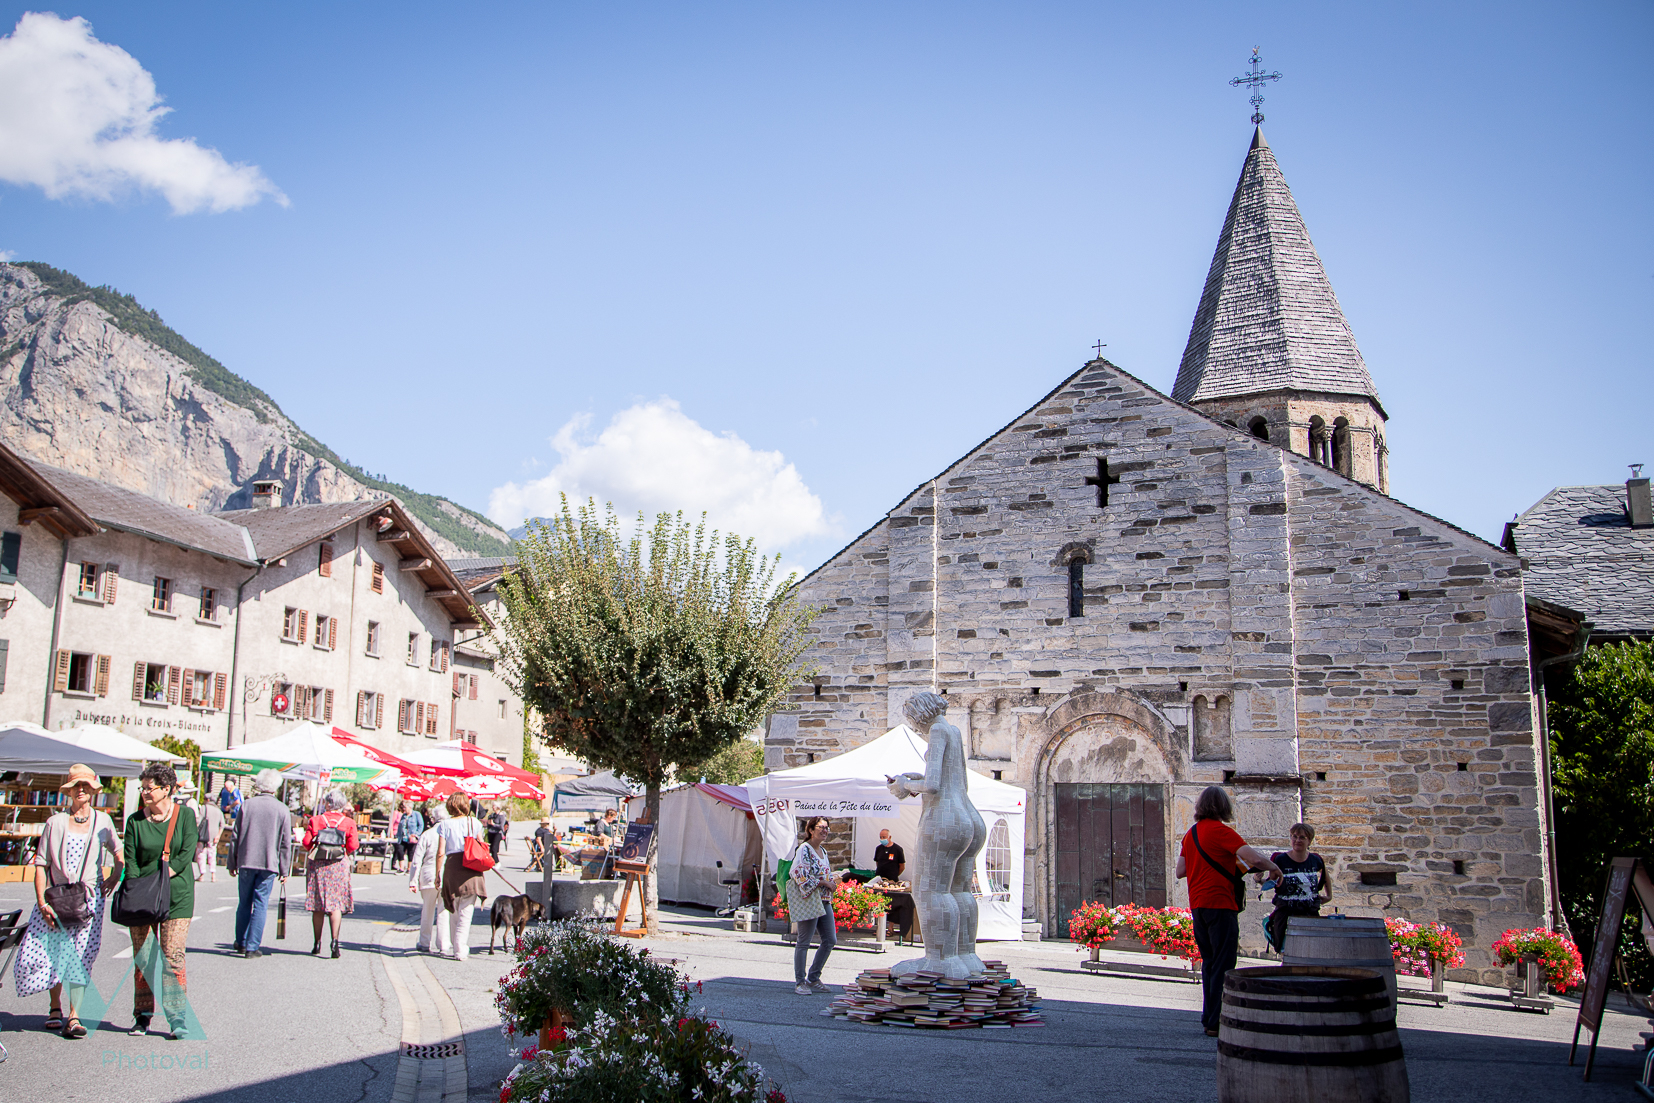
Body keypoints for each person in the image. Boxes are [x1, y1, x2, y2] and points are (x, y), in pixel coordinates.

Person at [13, 763, 122, 1039]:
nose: (81, 790)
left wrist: (115, 877)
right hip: (57, 899)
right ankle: (54, 1007)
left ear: (93, 790)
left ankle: (74, 1016)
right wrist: (41, 901)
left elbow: (119, 852)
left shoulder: (103, 822)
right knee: (52, 954)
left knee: (82, 957)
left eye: (86, 785)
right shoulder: (55, 822)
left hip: (89, 901)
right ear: (69, 792)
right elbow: (40, 864)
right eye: (76, 786)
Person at [887, 691, 987, 979]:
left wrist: (905, 784)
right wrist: (912, 779)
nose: (915, 727)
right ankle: (966, 955)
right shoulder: (953, 730)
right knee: (959, 891)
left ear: (920, 714)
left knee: (929, 890)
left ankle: (940, 960)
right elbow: (953, 780)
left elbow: (931, 785)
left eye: (912, 720)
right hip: (967, 814)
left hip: (945, 817)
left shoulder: (937, 731)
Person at [1176, 785, 1282, 1038]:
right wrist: (1273, 866)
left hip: (1198, 905)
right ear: (1223, 807)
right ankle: (1217, 1021)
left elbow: (1181, 871)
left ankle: (1208, 1017)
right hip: (1221, 904)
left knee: (1210, 962)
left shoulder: (1191, 835)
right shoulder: (1222, 831)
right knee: (1224, 963)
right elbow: (1253, 858)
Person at [124, 761, 200, 1040]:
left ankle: (177, 1018)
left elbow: (185, 854)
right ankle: (142, 1016)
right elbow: (131, 860)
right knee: (144, 959)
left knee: (173, 958)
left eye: (149, 788)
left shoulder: (186, 817)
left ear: (166, 789)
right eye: (142, 788)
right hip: (143, 896)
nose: (144, 792)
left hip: (177, 896)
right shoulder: (135, 821)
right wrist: (138, 888)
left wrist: (161, 876)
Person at [228, 769, 293, 958]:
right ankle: (252, 946)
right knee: (261, 904)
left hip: (247, 860)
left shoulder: (247, 805)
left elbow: (235, 836)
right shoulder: (282, 809)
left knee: (244, 903)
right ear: (276, 787)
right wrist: (284, 869)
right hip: (269, 863)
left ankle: (240, 941)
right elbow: (285, 843)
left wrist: (232, 862)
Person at [303, 789, 359, 958]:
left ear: (327, 803)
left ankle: (317, 942)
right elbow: (354, 845)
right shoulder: (348, 822)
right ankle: (335, 941)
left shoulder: (316, 820)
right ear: (342, 805)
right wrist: (344, 853)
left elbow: (306, 842)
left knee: (318, 903)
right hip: (338, 864)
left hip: (319, 863)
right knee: (335, 905)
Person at [788, 816, 841, 996]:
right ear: (811, 829)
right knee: (804, 941)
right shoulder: (805, 849)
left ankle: (813, 977)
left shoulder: (823, 851)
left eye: (827, 828)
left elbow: (823, 873)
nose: (825, 830)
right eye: (821, 827)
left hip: (824, 901)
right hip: (809, 899)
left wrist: (831, 881)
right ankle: (800, 981)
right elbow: (799, 873)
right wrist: (824, 883)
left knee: (830, 940)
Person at [1260, 823, 1331, 952]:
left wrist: (1329, 896)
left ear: (1309, 841)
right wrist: (1259, 880)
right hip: (1286, 912)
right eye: (1294, 836)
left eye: (1302, 837)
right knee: (1286, 949)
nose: (1297, 840)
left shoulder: (1315, 860)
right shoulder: (1280, 860)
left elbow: (1325, 876)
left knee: (1312, 948)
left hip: (1309, 911)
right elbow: (1272, 881)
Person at [435, 794, 489, 960]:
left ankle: (455, 945)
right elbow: (481, 846)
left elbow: (441, 852)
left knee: (453, 908)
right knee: (466, 910)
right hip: (470, 866)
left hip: (452, 866)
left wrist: (438, 873)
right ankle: (460, 948)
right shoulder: (475, 823)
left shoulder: (445, 824)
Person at [408, 805, 452, 956]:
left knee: (427, 910)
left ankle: (425, 942)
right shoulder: (450, 833)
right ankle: (443, 943)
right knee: (443, 910)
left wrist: (413, 881)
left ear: (433, 818)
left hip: (428, 875)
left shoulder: (427, 834)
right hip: (446, 874)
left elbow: (417, 860)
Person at [195, 792, 225, 884]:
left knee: (201, 854)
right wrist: (218, 835)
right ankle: (213, 875)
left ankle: (202, 874)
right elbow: (222, 824)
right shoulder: (218, 811)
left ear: (207, 800)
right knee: (212, 854)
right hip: (214, 835)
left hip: (203, 835)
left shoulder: (204, 808)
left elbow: (198, 821)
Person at [393, 800, 424, 873]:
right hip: (402, 837)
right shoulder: (403, 815)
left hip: (411, 837)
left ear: (410, 807)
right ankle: (401, 868)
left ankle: (409, 869)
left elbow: (421, 825)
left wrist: (416, 834)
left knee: (411, 852)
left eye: (405, 807)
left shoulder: (416, 814)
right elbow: (400, 826)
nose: (404, 809)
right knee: (400, 851)